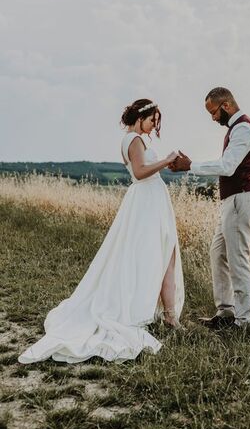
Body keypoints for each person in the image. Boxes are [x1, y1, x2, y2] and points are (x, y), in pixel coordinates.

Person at [19, 99, 184, 364]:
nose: (155, 125)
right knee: (158, 254)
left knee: (165, 253)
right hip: (146, 201)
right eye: (152, 119)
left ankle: (170, 315)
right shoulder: (134, 141)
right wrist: (166, 161)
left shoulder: (133, 139)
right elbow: (140, 172)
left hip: (151, 201)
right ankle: (165, 315)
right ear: (140, 117)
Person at [170, 87, 250, 330]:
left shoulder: (242, 128)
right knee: (217, 253)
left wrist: (191, 165)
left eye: (213, 112)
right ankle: (226, 312)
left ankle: (243, 321)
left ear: (227, 105)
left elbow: (227, 166)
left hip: (242, 198)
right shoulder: (235, 128)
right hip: (232, 201)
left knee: (238, 258)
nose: (213, 118)